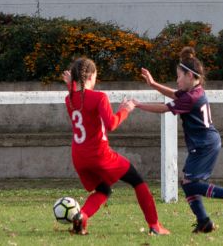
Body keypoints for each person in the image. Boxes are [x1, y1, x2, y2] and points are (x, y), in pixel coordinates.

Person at [133, 47, 223, 233]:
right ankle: (204, 221)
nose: (177, 80)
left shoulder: (191, 98)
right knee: (188, 184)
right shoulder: (195, 91)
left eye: (179, 76)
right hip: (207, 142)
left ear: (190, 76)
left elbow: (164, 108)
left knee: (190, 184)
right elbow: (175, 95)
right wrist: (153, 84)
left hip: (204, 144)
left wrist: (138, 105)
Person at [62, 56, 170, 235]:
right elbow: (111, 124)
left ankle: (82, 216)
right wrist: (125, 110)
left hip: (79, 157)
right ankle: (155, 225)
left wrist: (71, 86)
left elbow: (78, 99)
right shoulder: (99, 97)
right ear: (90, 77)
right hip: (99, 154)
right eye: (96, 76)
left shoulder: (70, 98)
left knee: (103, 189)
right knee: (137, 181)